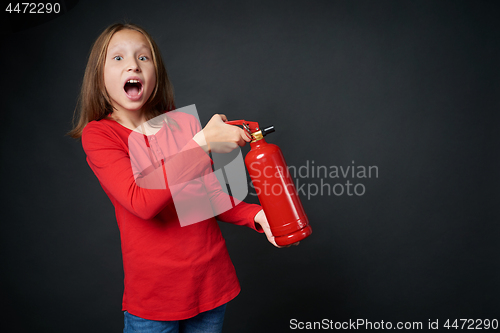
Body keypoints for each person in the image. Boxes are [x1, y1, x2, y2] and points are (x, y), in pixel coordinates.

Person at [69, 23, 295, 333]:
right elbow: (141, 201)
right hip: (156, 301)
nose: (133, 64)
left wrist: (256, 215)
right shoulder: (99, 135)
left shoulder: (177, 124)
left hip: (211, 285)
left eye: (143, 58)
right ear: (99, 75)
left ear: (156, 73)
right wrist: (201, 143)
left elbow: (206, 198)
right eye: (118, 58)